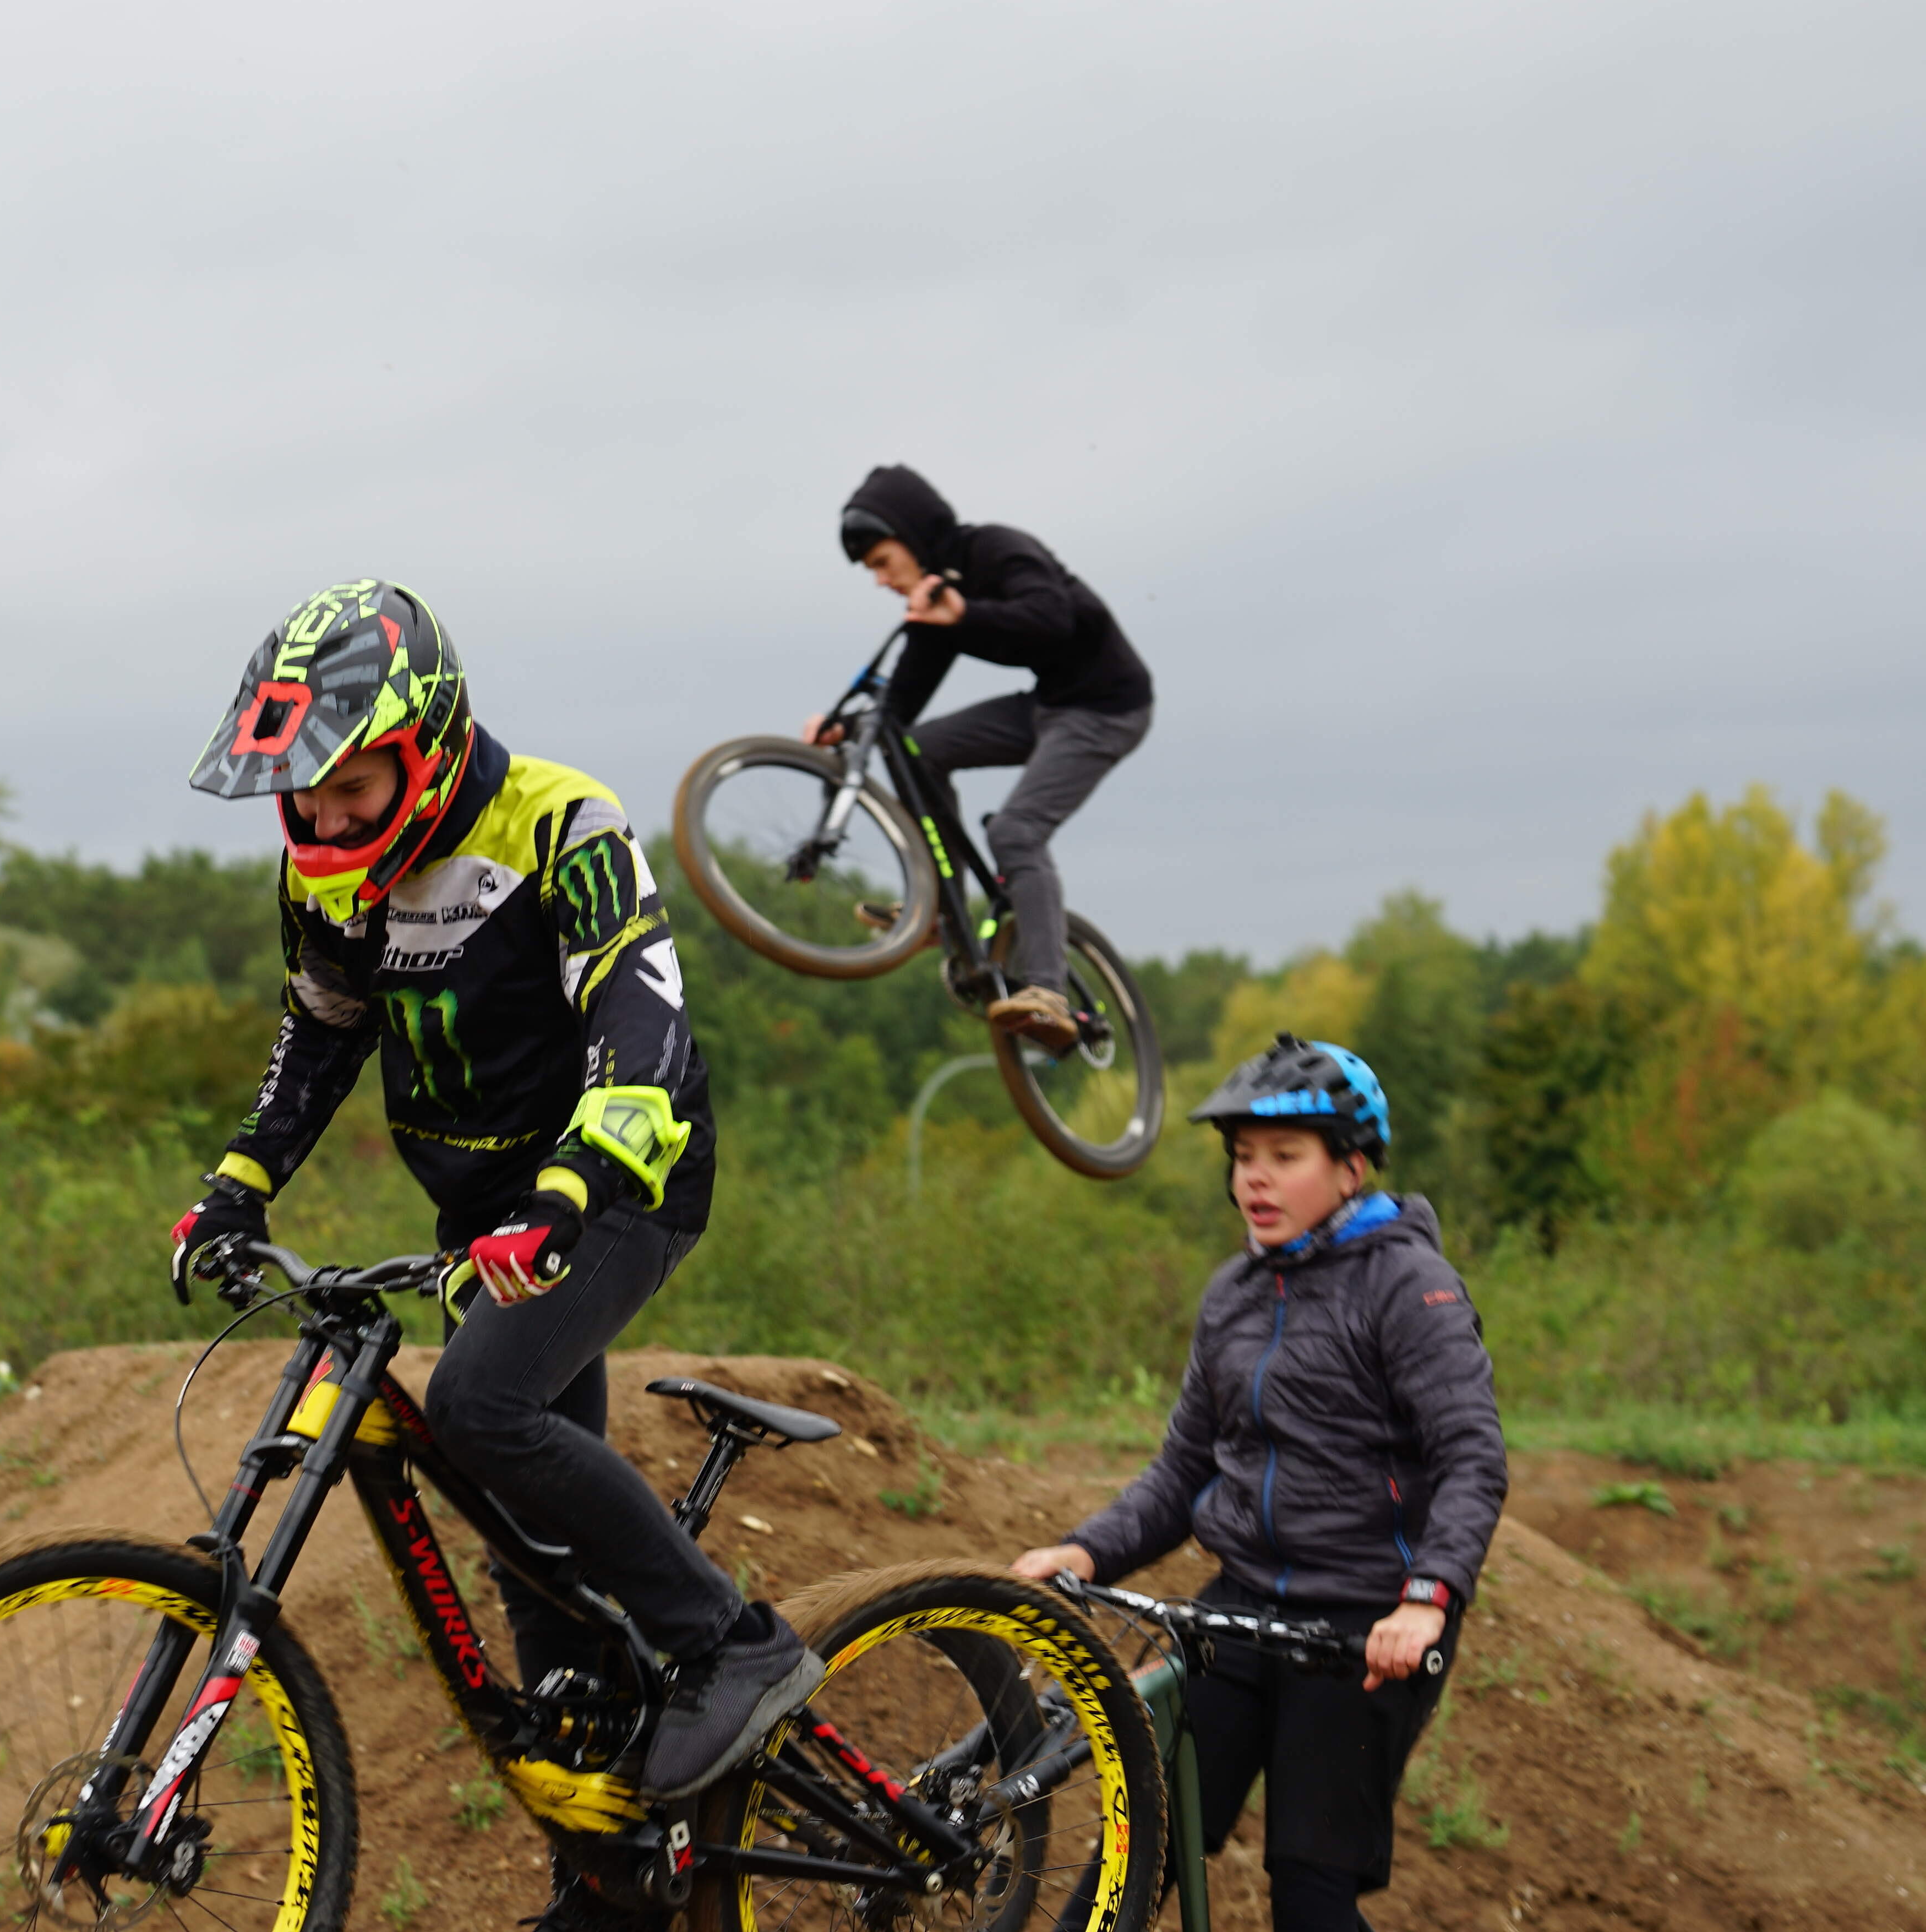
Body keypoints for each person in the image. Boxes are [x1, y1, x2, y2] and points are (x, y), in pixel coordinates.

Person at [174, 578, 823, 1929]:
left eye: (352, 789)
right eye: (306, 796)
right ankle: (612, 1894)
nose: (328, 820)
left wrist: (571, 1192)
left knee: (478, 1404)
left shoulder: (563, 822)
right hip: (482, 1211)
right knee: (531, 1559)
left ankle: (735, 1644)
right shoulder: (320, 867)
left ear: (428, 739)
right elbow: (321, 1032)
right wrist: (240, 1183)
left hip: (624, 1176)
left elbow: (643, 1031)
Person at [1010, 1035, 1507, 1932]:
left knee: (1309, 1889)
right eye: (1242, 1159)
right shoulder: (1232, 1295)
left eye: (1284, 1157)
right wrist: (1085, 1550)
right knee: (1136, 1850)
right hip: (1237, 1611)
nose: (1254, 1180)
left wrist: (1426, 1601)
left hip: (1362, 1627)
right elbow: (1182, 1471)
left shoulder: (1407, 1286)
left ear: (1349, 1169)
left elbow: (1470, 1457)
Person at [808, 464, 1153, 1053]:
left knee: (1017, 831)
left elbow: (1053, 619)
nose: (882, 581)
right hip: (1048, 704)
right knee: (916, 750)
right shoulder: (936, 608)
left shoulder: (996, 549)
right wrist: (847, 726)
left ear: (913, 538)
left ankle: (1048, 991)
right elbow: (900, 710)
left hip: (1107, 708)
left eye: (884, 563)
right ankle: (940, 909)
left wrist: (965, 613)